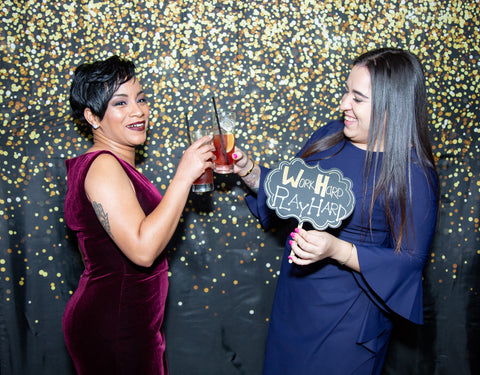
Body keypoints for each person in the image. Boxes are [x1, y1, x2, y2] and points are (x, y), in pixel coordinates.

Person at [232, 48, 439, 374]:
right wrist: (250, 171)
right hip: (296, 301)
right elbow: (293, 193)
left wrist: (336, 249)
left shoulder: (412, 173)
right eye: (346, 91)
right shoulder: (330, 135)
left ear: (391, 106)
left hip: (348, 321)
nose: (344, 104)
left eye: (357, 98)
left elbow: (410, 262)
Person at [63, 55, 215, 375]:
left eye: (141, 99)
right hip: (115, 328)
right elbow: (143, 251)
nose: (138, 111)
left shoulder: (113, 165)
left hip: (128, 323)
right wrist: (184, 176)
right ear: (92, 116)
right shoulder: (103, 165)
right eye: (121, 103)